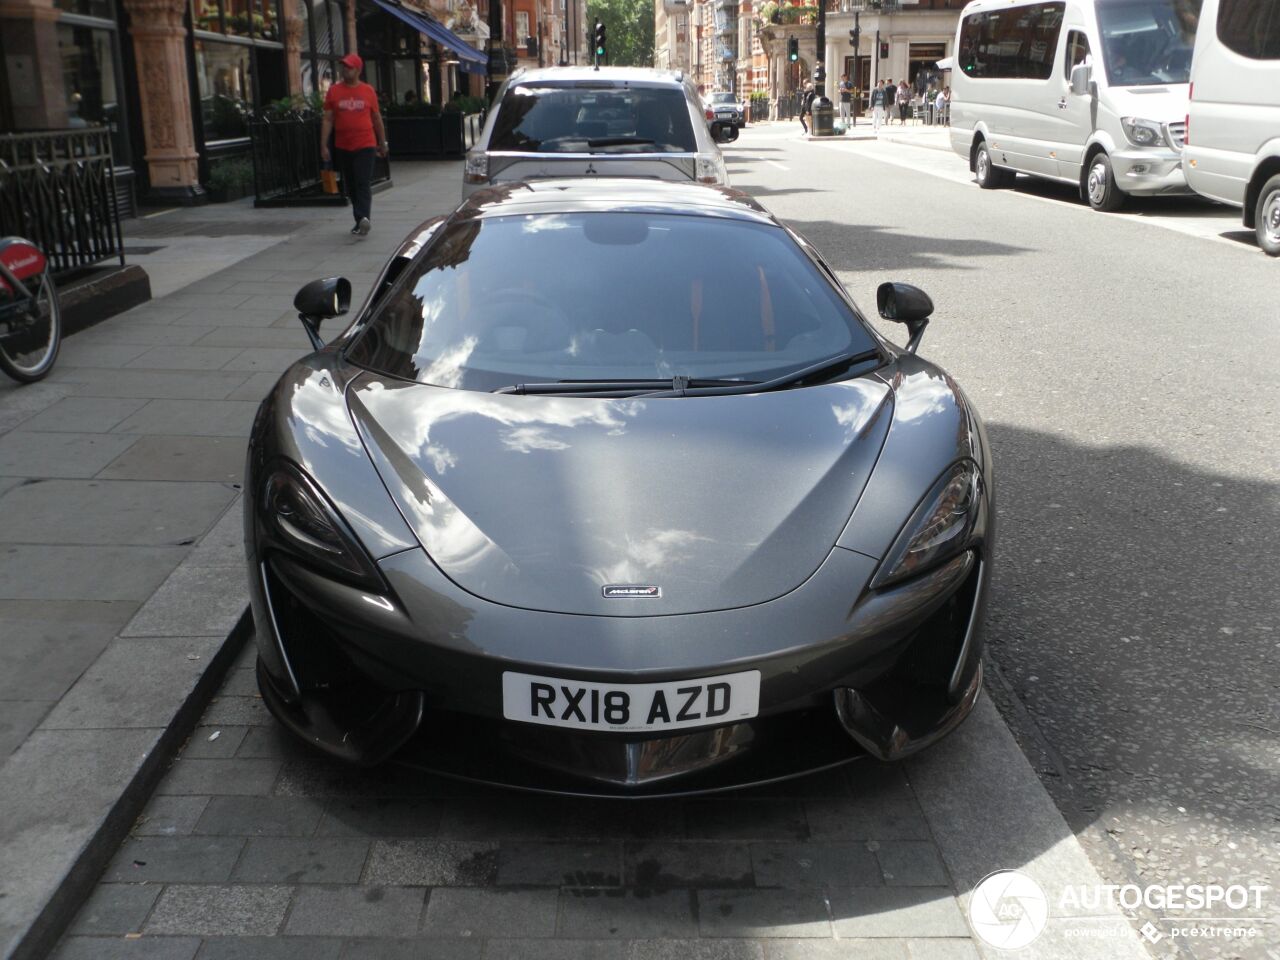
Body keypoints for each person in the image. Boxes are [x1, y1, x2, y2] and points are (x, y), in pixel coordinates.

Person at [320, 53, 388, 237]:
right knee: (350, 184)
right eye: (343, 66)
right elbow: (328, 119)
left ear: (358, 70)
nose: (345, 70)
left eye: (349, 67)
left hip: (365, 143)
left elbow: (376, 118)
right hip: (343, 145)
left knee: (362, 181)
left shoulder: (367, 91)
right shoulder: (334, 91)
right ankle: (359, 221)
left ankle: (363, 217)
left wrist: (382, 142)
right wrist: (323, 145)